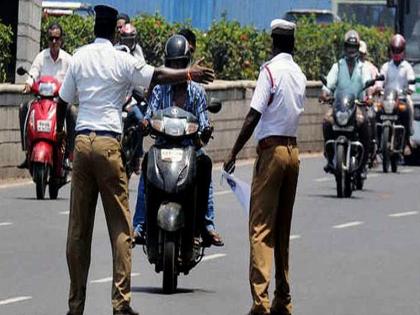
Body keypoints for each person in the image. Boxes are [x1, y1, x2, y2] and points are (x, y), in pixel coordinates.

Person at [56, 5, 214, 315]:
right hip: (107, 143)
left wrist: (66, 143)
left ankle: (75, 307)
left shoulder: (78, 58)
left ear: (93, 29)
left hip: (83, 142)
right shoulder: (121, 59)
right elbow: (156, 74)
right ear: (116, 31)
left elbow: (63, 103)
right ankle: (121, 303)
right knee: (121, 227)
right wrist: (189, 73)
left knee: (78, 231)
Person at [223, 19, 306, 315]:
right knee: (283, 228)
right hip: (293, 152)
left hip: (271, 153)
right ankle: (284, 299)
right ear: (293, 44)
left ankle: (261, 302)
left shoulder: (269, 72)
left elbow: (253, 115)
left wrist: (232, 153)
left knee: (260, 229)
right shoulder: (299, 73)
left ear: (273, 43)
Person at [132, 34, 224, 247]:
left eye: (179, 64)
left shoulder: (197, 92)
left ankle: (206, 224)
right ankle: (140, 225)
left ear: (186, 64)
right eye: (172, 65)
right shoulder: (159, 89)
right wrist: (145, 125)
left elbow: (203, 120)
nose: (176, 69)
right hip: (163, 146)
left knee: (205, 165)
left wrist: (205, 132)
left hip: (189, 149)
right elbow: (149, 115)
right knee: (147, 165)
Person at [18, 22, 76, 169]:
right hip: (41, 100)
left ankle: (69, 154)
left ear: (61, 39)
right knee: (23, 108)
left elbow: (74, 79)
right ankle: (27, 151)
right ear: (48, 40)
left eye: (57, 38)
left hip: (60, 102)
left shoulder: (68, 60)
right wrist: (28, 83)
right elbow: (33, 72)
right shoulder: (41, 57)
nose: (54, 42)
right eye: (51, 39)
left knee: (73, 112)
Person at [319, 30, 371, 175]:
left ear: (357, 48)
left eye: (353, 47)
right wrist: (325, 94)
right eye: (348, 47)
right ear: (345, 47)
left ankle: (363, 162)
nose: (351, 50)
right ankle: (330, 157)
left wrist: (369, 96)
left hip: (357, 106)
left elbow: (368, 83)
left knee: (365, 123)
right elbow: (328, 83)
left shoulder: (363, 68)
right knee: (326, 121)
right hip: (339, 106)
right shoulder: (337, 66)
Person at [379, 34, 415, 154]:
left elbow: (411, 81)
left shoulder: (407, 67)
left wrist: (409, 89)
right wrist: (378, 88)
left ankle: (408, 139)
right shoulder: (386, 66)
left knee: (409, 107)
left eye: (398, 50)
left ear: (403, 51)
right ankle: (375, 142)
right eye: (394, 50)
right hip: (387, 99)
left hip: (401, 98)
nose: (396, 53)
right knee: (375, 112)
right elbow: (380, 80)